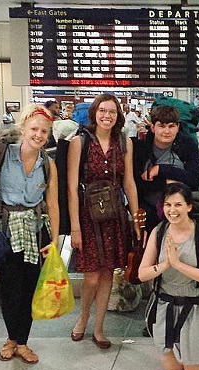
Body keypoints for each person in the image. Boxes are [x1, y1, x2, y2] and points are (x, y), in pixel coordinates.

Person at [68, 94, 140, 348]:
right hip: (88, 216)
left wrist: (135, 216)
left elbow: (128, 181)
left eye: (112, 111)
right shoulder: (80, 142)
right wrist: (75, 225)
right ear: (94, 114)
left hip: (114, 214)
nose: (107, 115)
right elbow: (72, 188)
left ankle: (99, 328)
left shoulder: (124, 143)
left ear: (118, 116)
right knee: (91, 277)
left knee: (108, 272)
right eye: (102, 111)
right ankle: (83, 317)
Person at [0, 104, 59, 364]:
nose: (39, 134)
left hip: (35, 231)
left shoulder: (48, 165)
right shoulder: (1, 153)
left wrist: (54, 241)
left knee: (30, 289)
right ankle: (10, 338)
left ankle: (23, 342)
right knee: (9, 289)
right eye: (34, 129)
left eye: (44, 131)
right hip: (4, 230)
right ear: (23, 128)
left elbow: (53, 204)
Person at [138, 182, 199, 370]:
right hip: (167, 305)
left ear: (189, 207)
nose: (172, 210)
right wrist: (165, 265)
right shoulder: (159, 232)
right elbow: (142, 274)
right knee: (172, 369)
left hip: (197, 305)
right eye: (168, 205)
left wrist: (177, 264)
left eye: (178, 205)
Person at [133, 105, 199, 234]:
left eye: (171, 126)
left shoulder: (188, 145)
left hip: (182, 215)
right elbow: (137, 186)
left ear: (178, 127)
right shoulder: (140, 149)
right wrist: (167, 182)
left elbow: (194, 180)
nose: (167, 131)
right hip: (150, 215)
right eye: (161, 126)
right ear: (152, 127)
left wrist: (160, 170)